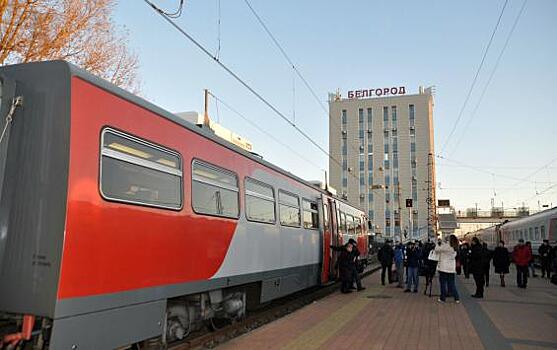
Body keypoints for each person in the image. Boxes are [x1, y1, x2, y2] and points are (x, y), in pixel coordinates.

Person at [435, 235, 460, 303]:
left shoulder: (447, 246)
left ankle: (443, 298)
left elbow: (437, 250)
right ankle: (456, 298)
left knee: (443, 283)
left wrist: (438, 243)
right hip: (451, 268)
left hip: (444, 268)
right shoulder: (455, 247)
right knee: (452, 284)